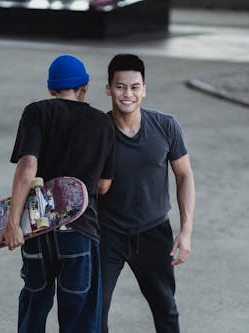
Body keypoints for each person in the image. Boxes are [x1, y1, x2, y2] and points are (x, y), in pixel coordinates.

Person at [0, 54, 115, 333]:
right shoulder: (103, 123)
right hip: (79, 230)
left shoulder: (36, 111)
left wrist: (12, 224)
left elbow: (28, 168)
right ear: (85, 86)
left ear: (51, 89)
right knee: (79, 315)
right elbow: (103, 185)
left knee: (34, 302)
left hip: (35, 229)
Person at [98, 54, 195, 333]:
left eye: (134, 86)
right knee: (95, 310)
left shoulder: (166, 126)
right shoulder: (96, 130)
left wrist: (186, 231)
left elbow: (184, 176)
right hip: (107, 233)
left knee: (166, 309)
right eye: (120, 86)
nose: (127, 94)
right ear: (108, 88)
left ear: (144, 89)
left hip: (153, 232)